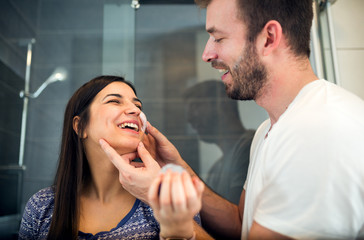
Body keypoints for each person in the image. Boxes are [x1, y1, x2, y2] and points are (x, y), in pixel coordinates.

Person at [100, 0, 364, 239]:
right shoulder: (269, 130)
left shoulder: (317, 133)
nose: (207, 54)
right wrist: (178, 168)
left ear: (269, 38)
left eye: (218, 38)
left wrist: (173, 218)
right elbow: (242, 224)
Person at [18, 75, 202, 240]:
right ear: (80, 126)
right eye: (115, 101)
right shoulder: (42, 206)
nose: (136, 111)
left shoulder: (171, 198)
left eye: (138, 106)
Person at [184, 80, 254, 204]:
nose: (190, 118)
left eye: (196, 107)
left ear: (222, 103)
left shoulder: (250, 147)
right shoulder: (215, 170)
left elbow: (237, 217)